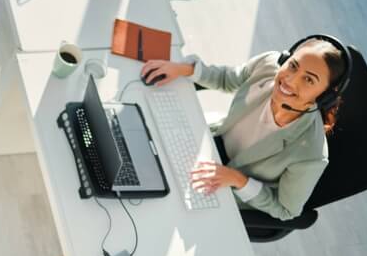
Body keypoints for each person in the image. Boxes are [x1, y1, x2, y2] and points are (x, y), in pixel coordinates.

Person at [142, 36, 351, 220]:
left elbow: (286, 211)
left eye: (308, 79)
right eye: (293, 65)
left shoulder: (311, 154)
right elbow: (228, 79)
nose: (290, 80)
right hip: (211, 144)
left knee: (161, 208)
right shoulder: (269, 66)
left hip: (228, 188)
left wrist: (238, 180)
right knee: (148, 156)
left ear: (324, 96)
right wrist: (183, 69)